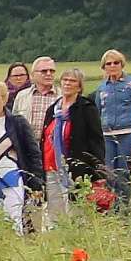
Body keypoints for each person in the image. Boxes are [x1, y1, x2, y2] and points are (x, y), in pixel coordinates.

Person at [0, 81, 43, 233]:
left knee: (14, 223)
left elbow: (33, 154)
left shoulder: (16, 123)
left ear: (4, 99)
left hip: (11, 180)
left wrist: (36, 183)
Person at [38, 70, 102, 219]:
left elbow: (96, 140)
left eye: (72, 81)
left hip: (74, 169)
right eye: (65, 80)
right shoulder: (53, 109)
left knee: (75, 210)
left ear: (79, 87)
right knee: (54, 212)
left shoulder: (86, 109)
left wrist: (96, 170)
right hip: (51, 166)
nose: (67, 83)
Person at [94, 50, 131, 202]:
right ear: (104, 67)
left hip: (128, 132)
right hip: (107, 134)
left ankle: (126, 205)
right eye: (109, 63)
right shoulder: (102, 88)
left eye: (116, 63)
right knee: (109, 172)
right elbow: (98, 111)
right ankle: (111, 204)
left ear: (122, 64)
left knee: (124, 171)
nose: (113, 66)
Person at [10, 56, 57, 131]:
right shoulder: (22, 96)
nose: (48, 74)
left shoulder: (62, 96)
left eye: (52, 71)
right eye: (44, 71)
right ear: (33, 75)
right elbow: (13, 123)